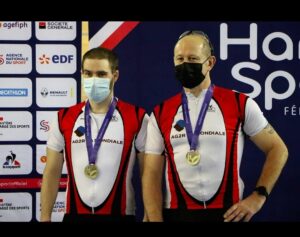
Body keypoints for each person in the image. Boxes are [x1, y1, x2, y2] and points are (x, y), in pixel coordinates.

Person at [142, 30, 288, 222]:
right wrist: (154, 218)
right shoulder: (160, 113)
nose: (185, 64)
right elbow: (151, 172)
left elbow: (278, 148)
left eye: (193, 58)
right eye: (180, 58)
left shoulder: (239, 103)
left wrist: (259, 196)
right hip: (177, 213)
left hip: (229, 214)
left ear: (210, 62)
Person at [41, 47, 148, 222]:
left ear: (115, 76)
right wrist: (45, 217)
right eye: (88, 73)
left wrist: (149, 214)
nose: (94, 80)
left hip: (121, 215)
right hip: (74, 215)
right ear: (82, 74)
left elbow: (148, 173)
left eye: (101, 74)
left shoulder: (138, 117)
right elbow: (52, 171)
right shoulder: (63, 117)